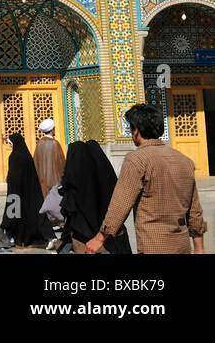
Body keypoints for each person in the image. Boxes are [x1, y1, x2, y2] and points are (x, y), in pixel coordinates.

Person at [87, 103, 207, 254]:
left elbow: (121, 204)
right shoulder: (184, 160)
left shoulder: (137, 159)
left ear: (136, 130)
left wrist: (99, 238)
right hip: (182, 246)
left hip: (153, 246)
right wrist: (199, 248)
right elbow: (194, 210)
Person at [59, 140, 130, 254]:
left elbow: (67, 208)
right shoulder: (105, 174)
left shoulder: (74, 183)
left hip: (83, 235)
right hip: (108, 232)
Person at [2, 133, 52, 247]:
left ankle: (12, 236)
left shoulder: (15, 157)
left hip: (15, 191)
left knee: (13, 213)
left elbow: (14, 176)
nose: (9, 145)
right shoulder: (26, 155)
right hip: (29, 191)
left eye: (10, 143)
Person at [33, 118, 66, 248]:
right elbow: (62, 163)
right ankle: (60, 224)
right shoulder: (55, 144)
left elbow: (35, 163)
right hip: (56, 180)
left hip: (42, 180)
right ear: (52, 129)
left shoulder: (39, 144)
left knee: (46, 202)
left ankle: (49, 225)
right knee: (57, 203)